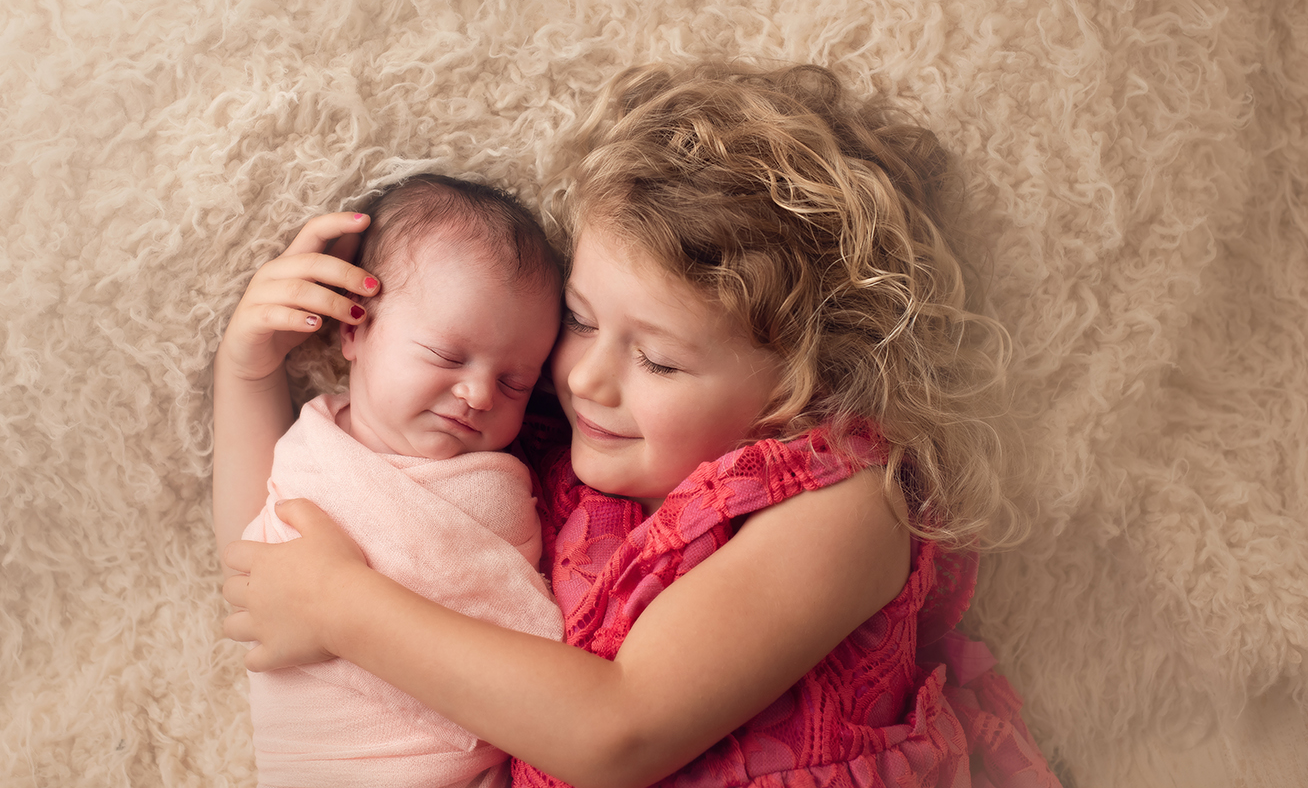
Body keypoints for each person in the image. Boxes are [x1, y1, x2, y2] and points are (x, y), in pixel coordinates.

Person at [221, 62, 1063, 788]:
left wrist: (343, 606)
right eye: (580, 319)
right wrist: (248, 369)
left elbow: (618, 729)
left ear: (804, 380)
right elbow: (289, 529)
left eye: (657, 361)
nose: (582, 376)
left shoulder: (841, 510)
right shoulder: (557, 446)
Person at [212, 174, 566, 788]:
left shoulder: (497, 487)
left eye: (517, 382)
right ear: (355, 329)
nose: (480, 393)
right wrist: (247, 367)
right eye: (446, 356)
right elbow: (249, 564)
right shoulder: (315, 441)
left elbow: (525, 651)